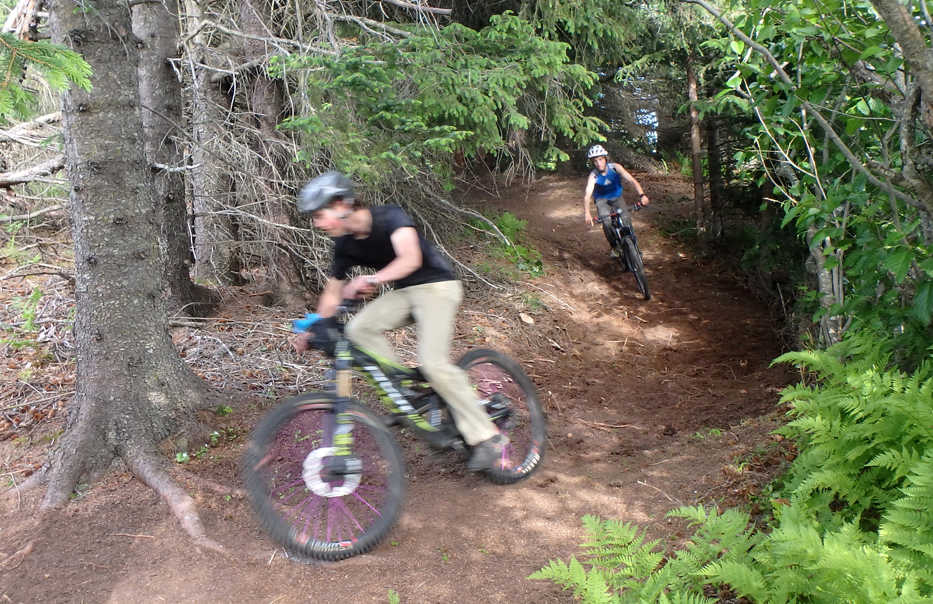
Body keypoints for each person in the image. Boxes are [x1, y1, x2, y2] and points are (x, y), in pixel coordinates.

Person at [290, 171, 506, 471]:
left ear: (342, 204)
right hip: (405, 293)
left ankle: (488, 437)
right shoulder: (344, 244)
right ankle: (407, 392)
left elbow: (411, 258)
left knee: (433, 363)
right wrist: (314, 326)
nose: (316, 223)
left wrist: (372, 278)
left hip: (438, 287)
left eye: (320, 214)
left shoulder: (389, 216)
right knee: (357, 329)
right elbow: (331, 293)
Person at [582, 144, 650, 256]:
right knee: (607, 222)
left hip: (617, 198)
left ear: (605, 158)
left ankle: (634, 245)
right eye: (595, 161)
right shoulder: (593, 176)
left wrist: (642, 195)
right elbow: (587, 194)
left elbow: (632, 180)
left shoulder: (615, 168)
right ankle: (615, 247)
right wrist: (587, 213)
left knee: (626, 218)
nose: (598, 163)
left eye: (600, 159)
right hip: (601, 200)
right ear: (592, 163)